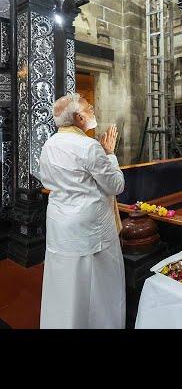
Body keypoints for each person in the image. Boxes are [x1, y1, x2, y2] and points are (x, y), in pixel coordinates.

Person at [38, 93, 126, 329]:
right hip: (90, 230)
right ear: (78, 118)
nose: (93, 109)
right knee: (98, 289)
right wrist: (110, 153)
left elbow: (47, 180)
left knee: (63, 284)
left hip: (59, 224)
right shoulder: (88, 146)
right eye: (89, 108)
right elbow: (116, 185)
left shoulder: (49, 144)